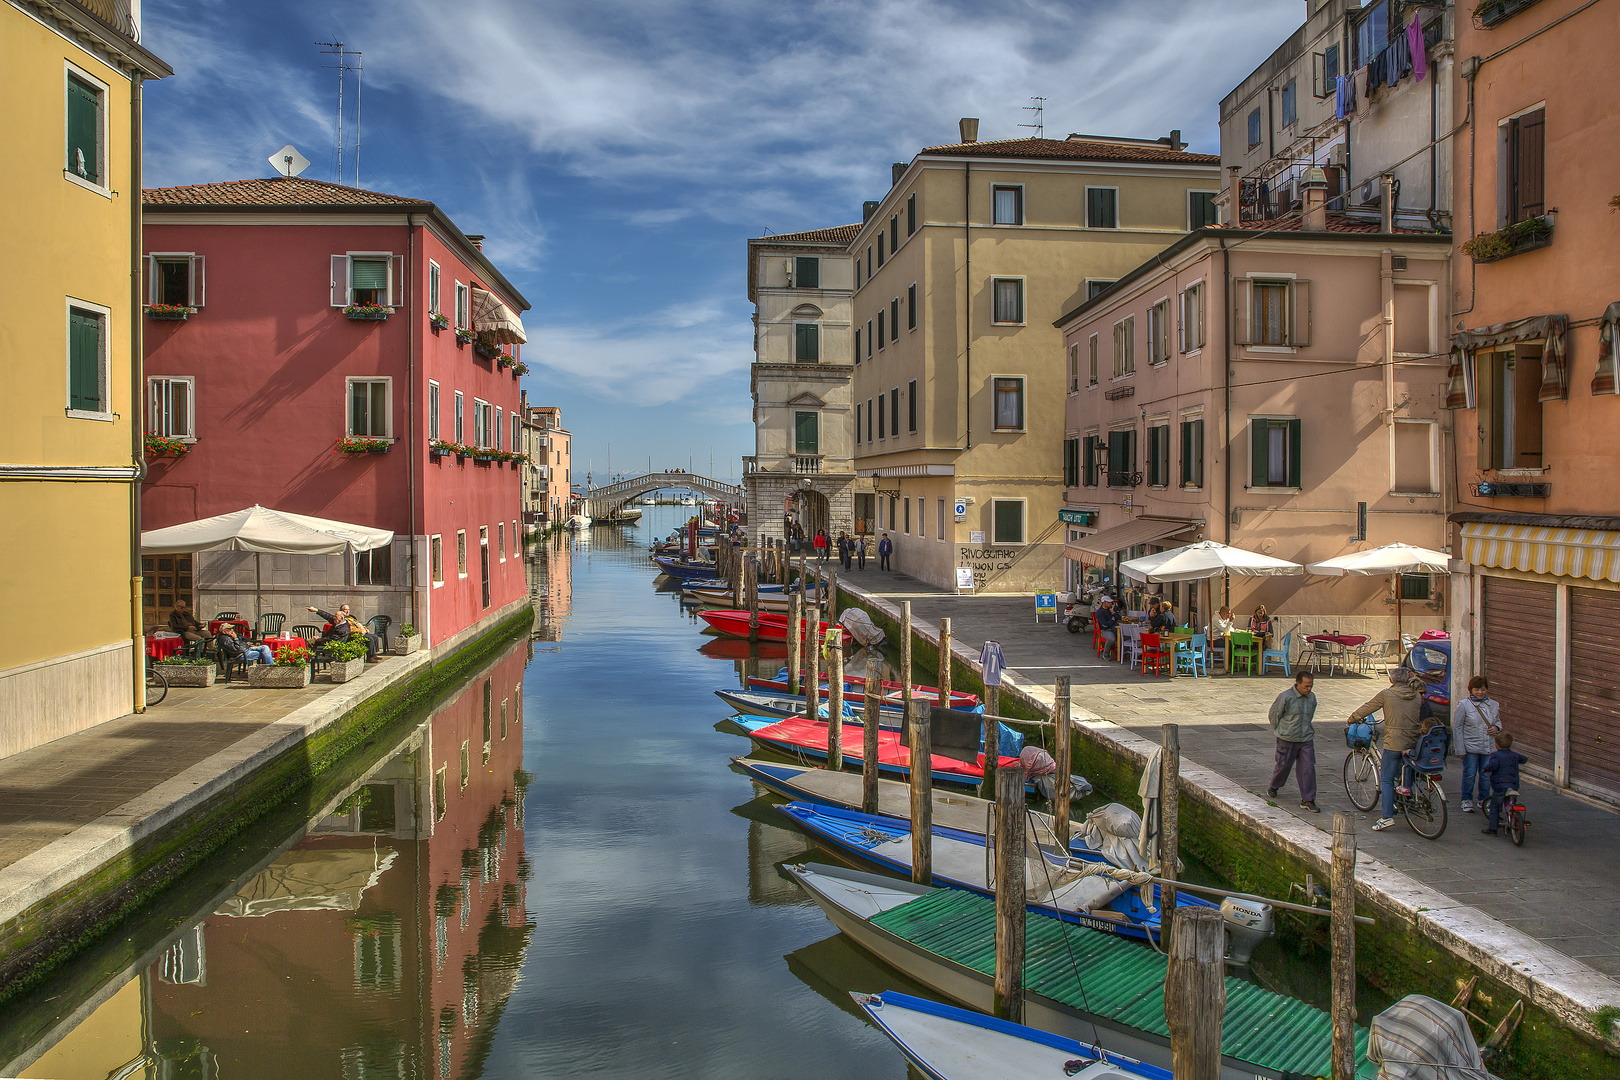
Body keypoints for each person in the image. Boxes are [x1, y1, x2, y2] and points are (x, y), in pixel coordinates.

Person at [1348, 669, 1427, 831]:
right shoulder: (1417, 696)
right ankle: (1401, 800)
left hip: (1394, 742)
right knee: (1401, 772)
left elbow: (1368, 707)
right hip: (1412, 741)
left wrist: (1353, 718)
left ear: (1391, 680)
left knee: (1386, 779)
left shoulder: (1386, 694)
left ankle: (1387, 817)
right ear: (1406, 680)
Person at [1268, 672, 1319, 812]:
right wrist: (1281, 730)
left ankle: (1308, 799)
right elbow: (1274, 715)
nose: (1308, 689)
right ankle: (1274, 786)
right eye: (1306, 686)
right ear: (1297, 683)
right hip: (1287, 738)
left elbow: (1311, 714)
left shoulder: (1312, 697)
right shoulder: (1286, 697)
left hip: (1305, 738)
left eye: (1311, 686)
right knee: (1283, 765)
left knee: (1308, 768)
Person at [1453, 675, 1501, 813]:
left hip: (1488, 747)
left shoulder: (1494, 704)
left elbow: (1497, 721)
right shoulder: (1464, 705)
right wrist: (1460, 749)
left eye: (1483, 689)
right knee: (1470, 774)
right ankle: (1466, 799)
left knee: (1486, 775)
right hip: (1471, 748)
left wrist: (1497, 728)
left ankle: (1484, 799)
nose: (1480, 692)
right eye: (1477, 689)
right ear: (1471, 690)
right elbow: (1457, 727)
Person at [1480, 731, 1527, 836]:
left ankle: (1492, 829)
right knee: (1511, 803)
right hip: (1513, 785)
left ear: (1497, 745)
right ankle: (1513, 819)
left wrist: (1485, 769)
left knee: (1495, 806)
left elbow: (1492, 766)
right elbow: (1524, 759)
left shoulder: (1496, 756)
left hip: (1500, 786)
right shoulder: (1514, 755)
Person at [308, 604, 380, 661]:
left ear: (341, 618)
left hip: (335, 642)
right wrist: (316, 610)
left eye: (348, 609)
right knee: (369, 638)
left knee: (374, 637)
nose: (347, 611)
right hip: (349, 636)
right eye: (345, 610)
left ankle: (373, 655)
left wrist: (364, 629)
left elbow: (332, 639)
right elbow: (327, 616)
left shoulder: (348, 621)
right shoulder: (340, 620)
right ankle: (371, 656)